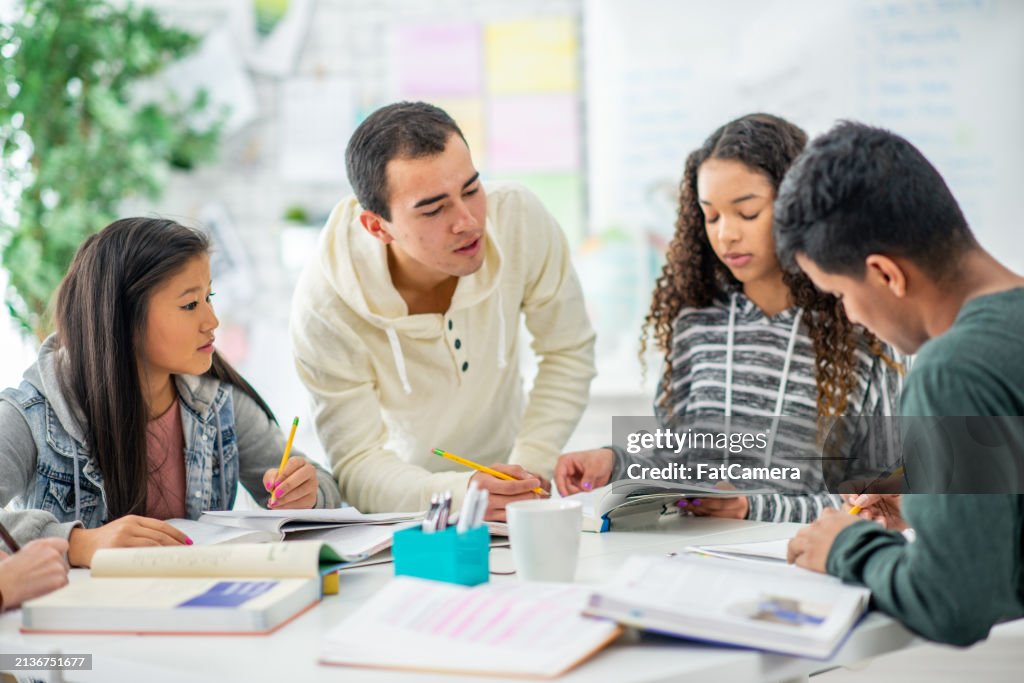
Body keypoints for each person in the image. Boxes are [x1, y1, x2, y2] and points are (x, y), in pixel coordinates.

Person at [555, 114, 902, 523]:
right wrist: (613, 463)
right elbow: (679, 464)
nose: (726, 235)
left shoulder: (860, 334)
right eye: (712, 216)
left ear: (797, 207)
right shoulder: (696, 326)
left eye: (747, 213)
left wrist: (753, 507)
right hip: (692, 558)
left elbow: (879, 504)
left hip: (806, 565)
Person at [777, 121, 1024, 646]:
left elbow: (955, 602)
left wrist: (849, 547)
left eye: (840, 294)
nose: (851, 316)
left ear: (886, 274)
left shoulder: (950, 369)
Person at [290, 101, 596, 520]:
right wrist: (461, 492)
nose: (468, 221)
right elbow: (358, 462)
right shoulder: (325, 306)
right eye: (434, 209)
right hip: (405, 510)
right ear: (377, 227)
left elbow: (568, 351)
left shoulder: (519, 219)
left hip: (515, 495)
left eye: (471, 189)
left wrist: (529, 471)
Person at [0, 218, 341, 567]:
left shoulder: (217, 404)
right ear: (124, 317)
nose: (212, 321)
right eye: (190, 305)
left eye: (208, 297)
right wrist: (77, 543)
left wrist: (307, 494)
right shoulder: (32, 413)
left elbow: (327, 490)